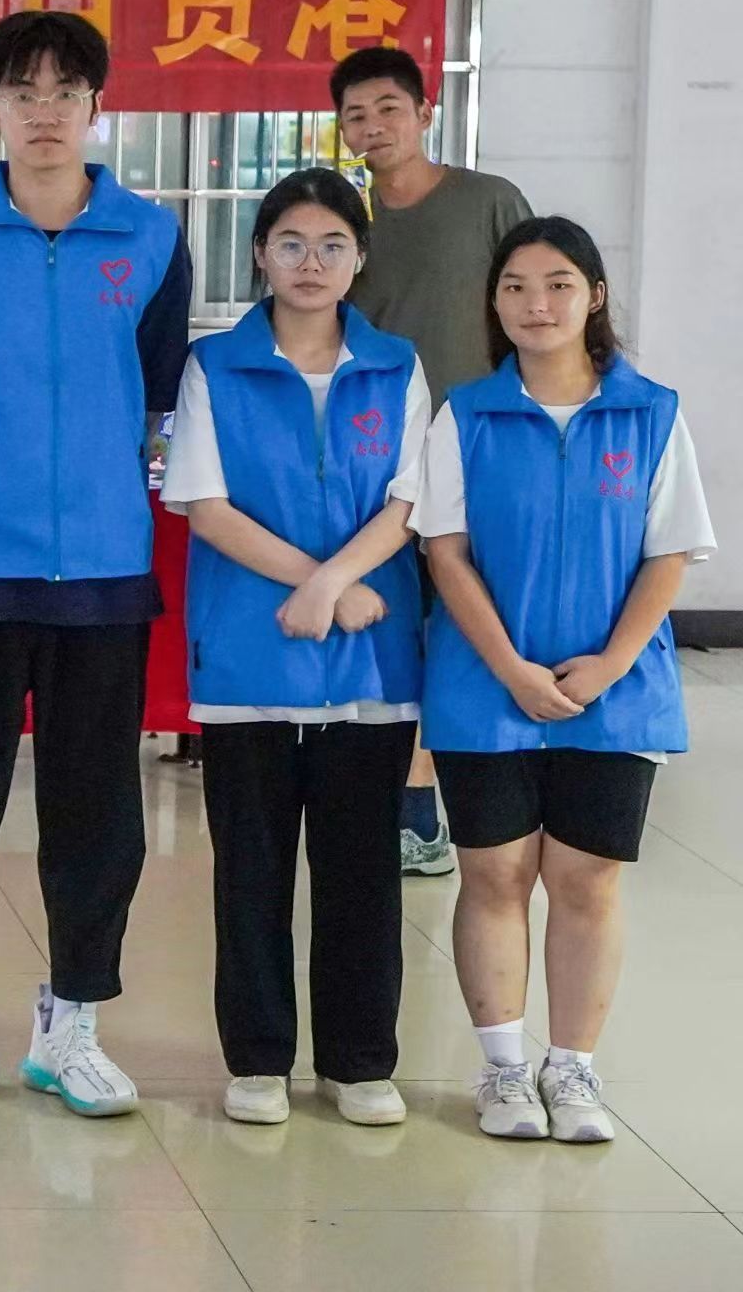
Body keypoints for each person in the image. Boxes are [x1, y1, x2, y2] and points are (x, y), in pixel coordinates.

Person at [0, 9, 192, 1122]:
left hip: (103, 571)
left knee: (96, 811)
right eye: (24, 91)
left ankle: (73, 1026)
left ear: (97, 107)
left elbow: (154, 401)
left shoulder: (150, 238)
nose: (46, 111)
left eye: (67, 91)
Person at [412, 216, 714, 1143]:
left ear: (594, 296)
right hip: (485, 683)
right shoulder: (466, 414)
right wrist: (509, 667)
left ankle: (573, 1069)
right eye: (514, 287)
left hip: (614, 691)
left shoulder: (651, 412)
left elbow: (670, 550)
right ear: (494, 302)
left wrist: (611, 664)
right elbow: (445, 550)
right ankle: (504, 1070)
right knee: (495, 873)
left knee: (587, 879)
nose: (535, 305)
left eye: (556, 285)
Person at [160, 168, 428, 1128]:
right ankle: (259, 1059)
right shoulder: (213, 366)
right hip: (250, 654)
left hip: (370, 658)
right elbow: (204, 503)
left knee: (362, 869)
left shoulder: (396, 365)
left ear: (359, 259)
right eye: (291, 244)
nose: (311, 264)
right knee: (252, 869)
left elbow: (411, 499)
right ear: (260, 255)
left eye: (332, 246)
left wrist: (334, 585)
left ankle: (360, 1062)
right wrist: (321, 587)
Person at [332, 45, 535, 877]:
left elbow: (534, 309)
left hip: (481, 453)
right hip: (378, 463)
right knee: (400, 628)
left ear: (425, 112)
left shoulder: (489, 202)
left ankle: (458, 800)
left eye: (388, 108)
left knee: (473, 622)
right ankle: (411, 807)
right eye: (355, 116)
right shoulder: (348, 224)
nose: (373, 127)